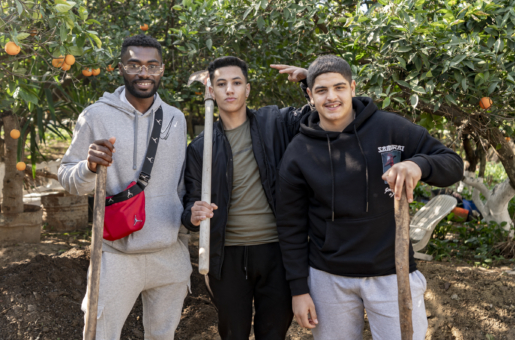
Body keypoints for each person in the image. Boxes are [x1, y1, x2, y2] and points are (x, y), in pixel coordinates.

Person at [275, 55, 464, 339]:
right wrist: (299, 290)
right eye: (322, 90)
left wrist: (418, 164)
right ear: (310, 96)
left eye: (339, 88)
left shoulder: (389, 127)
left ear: (352, 88)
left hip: (392, 272)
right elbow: (290, 226)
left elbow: (452, 163)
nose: (332, 97)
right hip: (329, 278)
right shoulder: (299, 151)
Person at [58, 34, 191, 340]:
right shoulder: (95, 116)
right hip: (116, 255)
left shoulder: (175, 118)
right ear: (120, 68)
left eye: (151, 65)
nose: (143, 72)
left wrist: (183, 238)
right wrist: (89, 167)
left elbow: (181, 185)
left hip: (169, 253)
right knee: (100, 334)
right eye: (134, 64)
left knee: (163, 335)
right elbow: (66, 177)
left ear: (162, 69)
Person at [182, 56, 310, 340]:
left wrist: (309, 80)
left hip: (277, 252)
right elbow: (189, 205)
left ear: (247, 89)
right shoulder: (200, 149)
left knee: (273, 333)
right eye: (222, 84)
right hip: (225, 257)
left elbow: (319, 115)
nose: (230, 90)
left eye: (236, 83)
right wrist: (193, 213)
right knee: (233, 334)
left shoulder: (274, 123)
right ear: (211, 92)